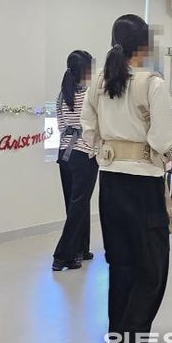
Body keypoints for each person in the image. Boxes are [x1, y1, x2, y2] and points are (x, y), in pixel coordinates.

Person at [81, 14, 172, 343]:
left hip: (109, 182)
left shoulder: (99, 82)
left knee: (121, 266)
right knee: (153, 269)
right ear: (145, 45)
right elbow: (163, 137)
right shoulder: (152, 83)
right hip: (143, 184)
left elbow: (88, 129)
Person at [51, 50, 99, 272]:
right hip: (84, 153)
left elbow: (61, 125)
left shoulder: (62, 94)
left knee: (75, 204)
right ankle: (63, 256)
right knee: (79, 205)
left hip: (64, 153)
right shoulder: (90, 94)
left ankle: (81, 249)